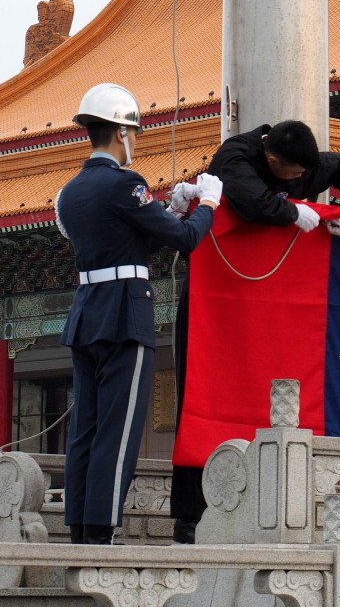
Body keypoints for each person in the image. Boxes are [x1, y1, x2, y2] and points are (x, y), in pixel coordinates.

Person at [167, 120, 340, 543]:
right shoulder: (234, 156)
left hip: (271, 306)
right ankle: (190, 517)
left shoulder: (298, 165)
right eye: (294, 176)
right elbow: (252, 201)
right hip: (216, 297)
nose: (301, 182)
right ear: (273, 160)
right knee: (203, 398)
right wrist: (294, 211)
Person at [55, 82, 223, 545]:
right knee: (119, 430)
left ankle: (81, 530)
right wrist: (208, 203)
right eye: (136, 134)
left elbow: (124, 241)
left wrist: (167, 209)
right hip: (125, 317)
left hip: (87, 315)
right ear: (122, 133)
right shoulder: (126, 184)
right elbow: (187, 240)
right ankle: (103, 531)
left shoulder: (69, 193)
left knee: (85, 431)